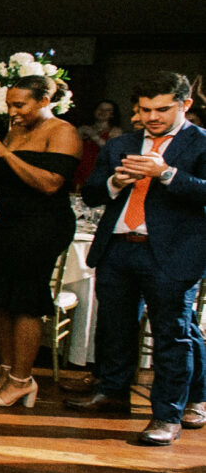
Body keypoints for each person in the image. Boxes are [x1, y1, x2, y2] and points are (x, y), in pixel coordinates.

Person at [67, 72, 206, 445]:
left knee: (172, 336)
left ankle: (167, 416)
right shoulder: (121, 144)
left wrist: (166, 174)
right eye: (145, 110)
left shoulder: (200, 143)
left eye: (163, 109)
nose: (152, 117)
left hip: (172, 254)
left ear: (185, 104)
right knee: (114, 328)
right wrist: (115, 182)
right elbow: (92, 194)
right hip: (118, 248)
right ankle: (112, 393)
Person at [0, 76, 83, 408]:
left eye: (20, 105)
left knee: (26, 300)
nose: (12, 112)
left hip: (43, 225)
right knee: (0, 297)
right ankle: (6, 370)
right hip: (9, 223)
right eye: (9, 104)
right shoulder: (15, 131)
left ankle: (22, 380)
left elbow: (49, 184)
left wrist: (3, 151)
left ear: (44, 101)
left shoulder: (63, 132)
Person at [74, 99, 122, 186]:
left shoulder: (116, 131)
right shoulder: (84, 128)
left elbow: (110, 151)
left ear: (112, 114)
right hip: (79, 168)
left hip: (98, 171)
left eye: (108, 110)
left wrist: (93, 136)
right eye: (100, 109)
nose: (103, 112)